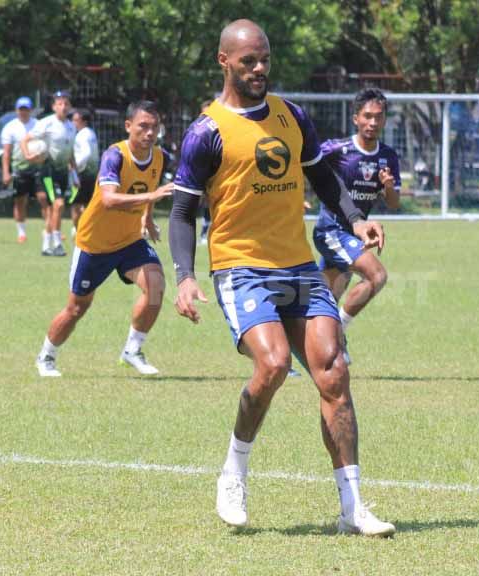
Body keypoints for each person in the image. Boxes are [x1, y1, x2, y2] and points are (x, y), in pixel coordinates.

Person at [169, 19, 394, 536]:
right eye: (248, 60)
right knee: (270, 365)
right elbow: (182, 212)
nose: (259, 68)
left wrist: (355, 219)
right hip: (239, 266)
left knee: (334, 372)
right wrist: (183, 276)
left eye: (264, 58)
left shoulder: (291, 115)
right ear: (224, 61)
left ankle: (352, 507)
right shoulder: (206, 132)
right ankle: (234, 470)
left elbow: (322, 177)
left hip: (296, 265)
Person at [36, 100, 172, 377]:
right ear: (128, 126)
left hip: (130, 241)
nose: (149, 133)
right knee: (76, 308)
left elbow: (151, 186)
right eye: (143, 126)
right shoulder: (115, 156)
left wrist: (147, 216)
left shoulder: (160, 157)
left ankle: (132, 350)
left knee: (155, 286)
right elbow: (109, 199)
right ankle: (46, 356)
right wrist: (151, 198)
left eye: (154, 127)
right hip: (94, 244)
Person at [311, 88, 400, 364]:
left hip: (354, 235)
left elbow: (394, 203)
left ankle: (303, 348)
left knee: (322, 300)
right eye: (367, 116)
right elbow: (307, 165)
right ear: (356, 119)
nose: (373, 122)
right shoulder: (337, 150)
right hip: (331, 230)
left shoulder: (388, 156)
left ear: (385, 120)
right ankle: (338, 331)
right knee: (377, 276)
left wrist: (387, 187)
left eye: (379, 117)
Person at [22, 91, 77, 256]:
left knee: (56, 209)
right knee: (58, 205)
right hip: (48, 171)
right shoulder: (46, 123)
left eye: (66, 103)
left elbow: (70, 153)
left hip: (63, 173)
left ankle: (46, 244)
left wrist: (74, 174)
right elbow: (25, 140)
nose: (63, 107)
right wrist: (28, 155)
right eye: (60, 103)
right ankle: (57, 244)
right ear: (54, 107)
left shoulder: (71, 127)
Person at [1, 96, 49, 244]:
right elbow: (6, 153)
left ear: (31, 110)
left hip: (38, 168)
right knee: (20, 201)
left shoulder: (38, 125)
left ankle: (50, 228)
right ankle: (21, 233)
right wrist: (6, 172)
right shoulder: (10, 127)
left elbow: (45, 145)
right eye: (21, 109)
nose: (24, 112)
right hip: (19, 169)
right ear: (17, 110)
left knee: (44, 198)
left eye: (26, 109)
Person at [69, 108, 100, 233]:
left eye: (75, 120)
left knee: (76, 204)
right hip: (92, 174)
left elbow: (86, 153)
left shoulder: (81, 135)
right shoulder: (91, 133)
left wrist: (75, 167)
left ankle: (78, 231)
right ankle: (87, 230)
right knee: (88, 205)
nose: (72, 122)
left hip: (81, 174)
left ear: (84, 121)